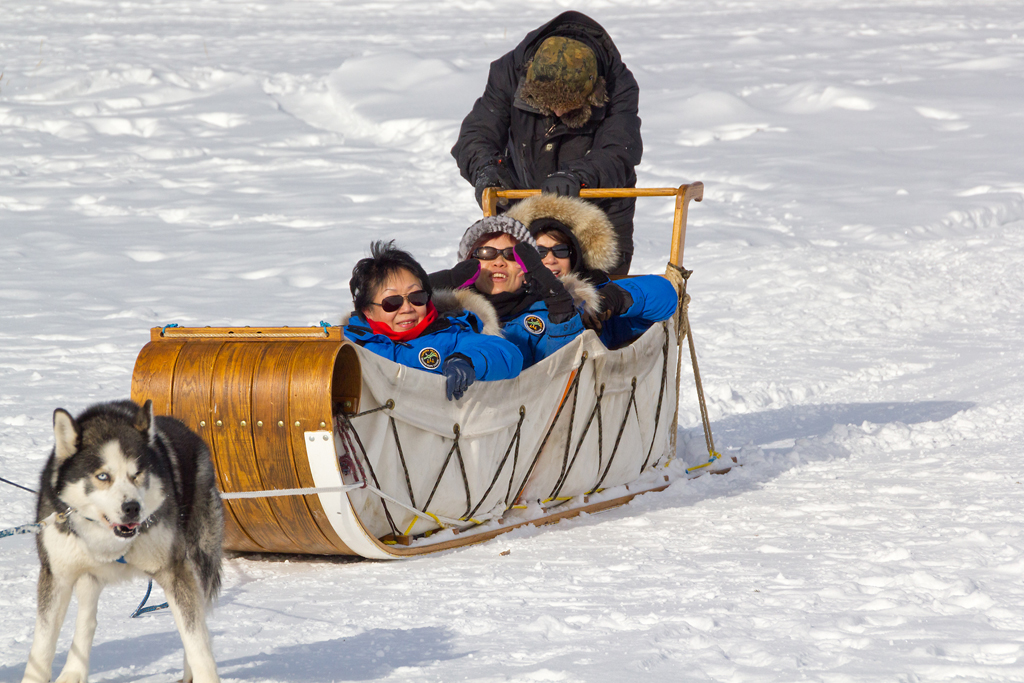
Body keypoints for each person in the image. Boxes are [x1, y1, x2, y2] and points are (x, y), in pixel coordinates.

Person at [451, 11, 642, 276]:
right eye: (549, 105)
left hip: (598, 207)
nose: (559, 113)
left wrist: (578, 177)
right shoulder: (509, 71)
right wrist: (487, 170)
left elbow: (620, 150)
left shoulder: (619, 84)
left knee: (600, 299)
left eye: (570, 108)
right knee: (518, 292)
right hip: (523, 201)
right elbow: (477, 134)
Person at [343, 240, 523, 401]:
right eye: (392, 302)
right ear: (368, 311)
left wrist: (467, 361)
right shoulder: (350, 344)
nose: (407, 308)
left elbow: (507, 353)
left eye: (417, 297)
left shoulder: (449, 335)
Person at [506, 193, 678, 349]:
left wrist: (611, 299)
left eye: (561, 251)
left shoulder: (591, 297)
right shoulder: (509, 298)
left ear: (574, 256)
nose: (551, 259)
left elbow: (665, 296)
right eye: (539, 252)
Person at [430, 215, 585, 369]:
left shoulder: (548, 318)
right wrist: (433, 290)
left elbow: (565, 369)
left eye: (511, 255)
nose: (499, 262)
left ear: (526, 268)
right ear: (467, 263)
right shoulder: (450, 318)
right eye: (486, 253)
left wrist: (560, 306)